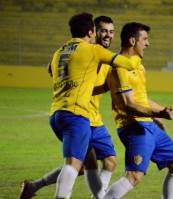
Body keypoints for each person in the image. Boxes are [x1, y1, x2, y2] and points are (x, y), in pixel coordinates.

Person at [19, 15, 119, 199]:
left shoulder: (104, 59)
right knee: (78, 165)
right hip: (79, 116)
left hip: (93, 119)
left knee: (108, 162)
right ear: (93, 32)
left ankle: (33, 186)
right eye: (103, 31)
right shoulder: (85, 53)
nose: (108, 35)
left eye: (112, 32)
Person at [47, 12, 138, 199]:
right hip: (76, 114)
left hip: (56, 114)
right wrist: (135, 52)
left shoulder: (59, 52)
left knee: (92, 164)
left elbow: (51, 70)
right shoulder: (93, 50)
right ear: (91, 32)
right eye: (99, 30)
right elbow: (127, 63)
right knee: (73, 164)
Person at [101, 22, 173, 199]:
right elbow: (128, 105)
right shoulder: (120, 69)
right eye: (145, 39)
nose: (148, 44)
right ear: (133, 41)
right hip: (133, 127)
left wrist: (165, 110)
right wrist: (158, 114)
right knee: (134, 176)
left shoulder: (138, 66)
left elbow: (142, 99)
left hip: (149, 125)